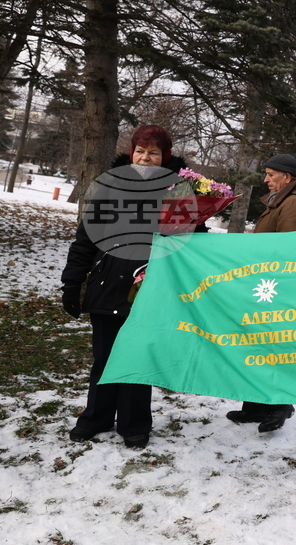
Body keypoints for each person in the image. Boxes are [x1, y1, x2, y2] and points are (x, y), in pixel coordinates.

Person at [61, 125, 197, 449]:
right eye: (140, 151)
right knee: (105, 357)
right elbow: (85, 239)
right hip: (108, 282)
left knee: (138, 358)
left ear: (165, 157)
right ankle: (96, 417)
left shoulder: (177, 192)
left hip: (149, 287)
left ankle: (134, 423)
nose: (145, 158)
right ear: (131, 152)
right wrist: (72, 282)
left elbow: (191, 243)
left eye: (153, 152)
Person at [225, 153, 296, 432]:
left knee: (276, 347)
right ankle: (255, 406)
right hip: (265, 284)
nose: (265, 180)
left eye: (270, 175)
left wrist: (278, 286)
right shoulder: (281, 200)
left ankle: (280, 405)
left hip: (278, 287)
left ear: (286, 177)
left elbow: (291, 253)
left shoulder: (295, 204)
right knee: (258, 344)